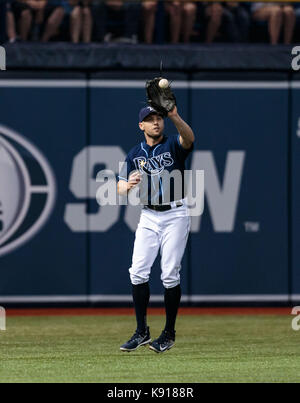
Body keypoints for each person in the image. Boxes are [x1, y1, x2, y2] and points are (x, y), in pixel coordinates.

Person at [117, 100, 194, 353]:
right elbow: (119, 186)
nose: (156, 121)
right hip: (148, 215)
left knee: (170, 273)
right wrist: (127, 186)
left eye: (158, 118)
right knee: (137, 272)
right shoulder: (133, 153)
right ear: (141, 125)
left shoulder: (173, 143)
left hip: (175, 213)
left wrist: (175, 116)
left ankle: (169, 333)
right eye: (150, 119)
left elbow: (189, 138)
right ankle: (142, 331)